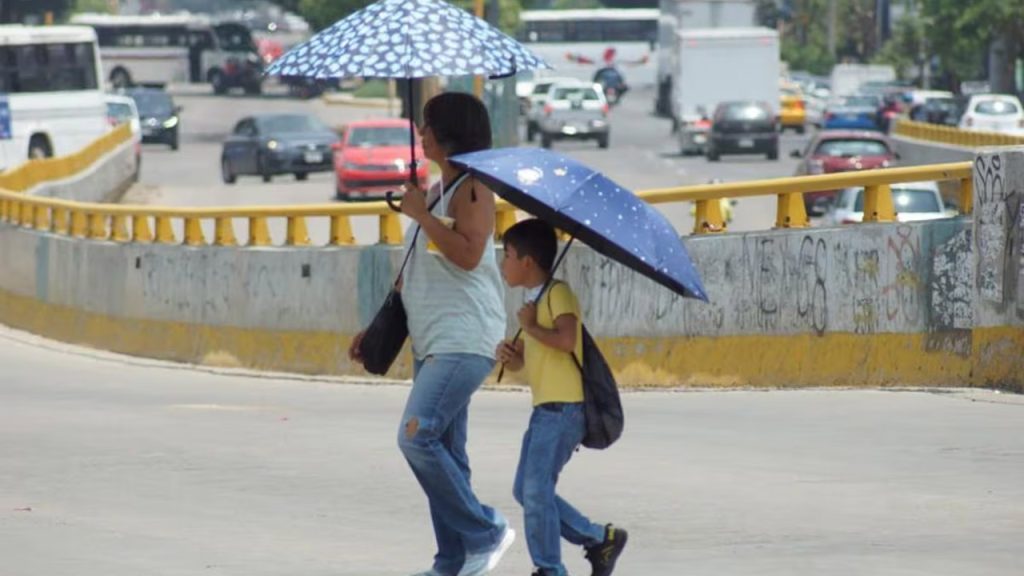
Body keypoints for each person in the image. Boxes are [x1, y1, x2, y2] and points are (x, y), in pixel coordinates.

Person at [348, 92, 513, 576]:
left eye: (427, 125)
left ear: (448, 133)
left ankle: (486, 531)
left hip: (464, 337)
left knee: (417, 438)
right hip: (433, 336)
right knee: (448, 453)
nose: (420, 134)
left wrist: (421, 215)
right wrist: (376, 328)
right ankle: (452, 562)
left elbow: (468, 255)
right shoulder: (443, 188)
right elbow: (420, 270)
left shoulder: (474, 189)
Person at [494, 219, 628, 576]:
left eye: (507, 255)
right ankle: (599, 538)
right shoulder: (534, 301)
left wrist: (532, 326)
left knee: (536, 491)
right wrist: (512, 356)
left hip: (564, 409)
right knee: (526, 490)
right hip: (545, 410)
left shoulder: (558, 294)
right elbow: (531, 360)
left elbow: (567, 341)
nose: (502, 263)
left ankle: (550, 569)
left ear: (527, 261)